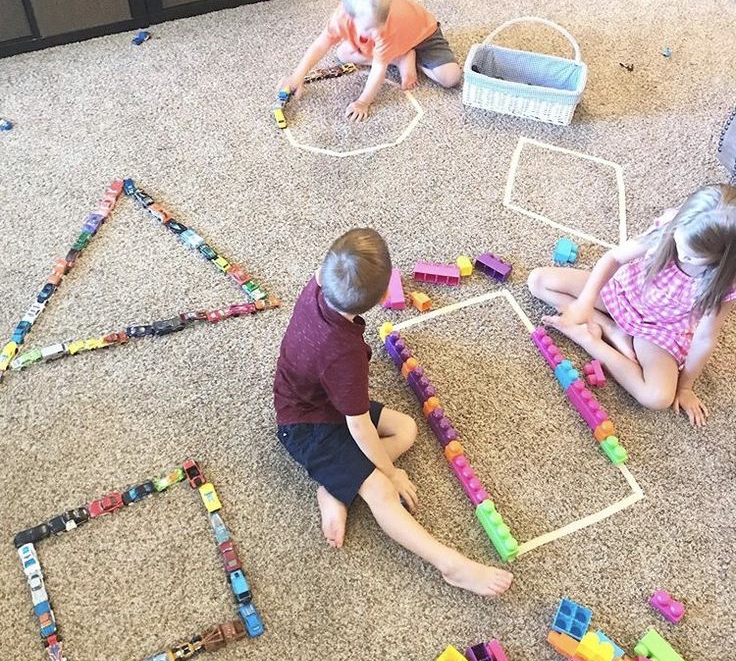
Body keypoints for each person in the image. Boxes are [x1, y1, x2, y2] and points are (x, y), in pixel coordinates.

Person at [274, 228, 512, 596]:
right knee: (382, 490)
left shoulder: (317, 283)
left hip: (322, 398)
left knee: (406, 429)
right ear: (385, 296)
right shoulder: (345, 357)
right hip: (305, 425)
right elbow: (359, 427)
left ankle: (336, 488)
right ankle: (449, 564)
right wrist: (390, 471)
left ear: (322, 271)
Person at [528, 184, 736, 427]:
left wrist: (686, 387)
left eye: (693, 257)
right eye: (679, 245)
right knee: (538, 281)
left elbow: (704, 339)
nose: (681, 255)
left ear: (723, 260)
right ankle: (611, 330)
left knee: (657, 397)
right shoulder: (670, 228)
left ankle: (590, 340)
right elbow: (615, 258)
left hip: (660, 330)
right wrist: (585, 302)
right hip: (622, 292)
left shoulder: (726, 282)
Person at [278, 0, 461, 122]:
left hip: (423, 34)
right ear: (350, 16)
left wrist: (363, 102)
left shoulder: (382, 29)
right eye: (370, 27)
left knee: (451, 77)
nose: (377, 30)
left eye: (381, 21)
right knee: (343, 54)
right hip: (391, 43)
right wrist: (297, 76)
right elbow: (320, 45)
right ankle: (400, 57)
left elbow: (378, 71)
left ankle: (408, 55)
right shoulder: (341, 18)